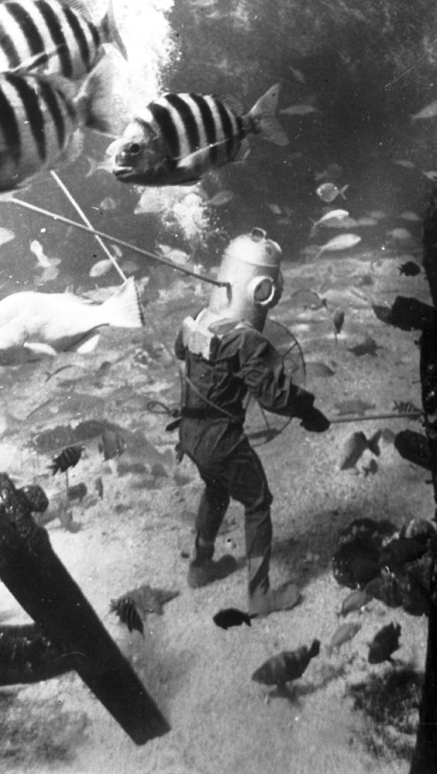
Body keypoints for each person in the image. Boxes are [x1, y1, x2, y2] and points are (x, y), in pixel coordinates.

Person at [174, 228, 330, 616]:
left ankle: (200, 565)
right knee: (258, 502)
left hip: (189, 433)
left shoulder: (197, 318)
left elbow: (183, 352)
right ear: (264, 290)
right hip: (221, 440)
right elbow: (275, 397)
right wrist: (308, 410)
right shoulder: (246, 340)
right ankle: (260, 596)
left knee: (216, 487)